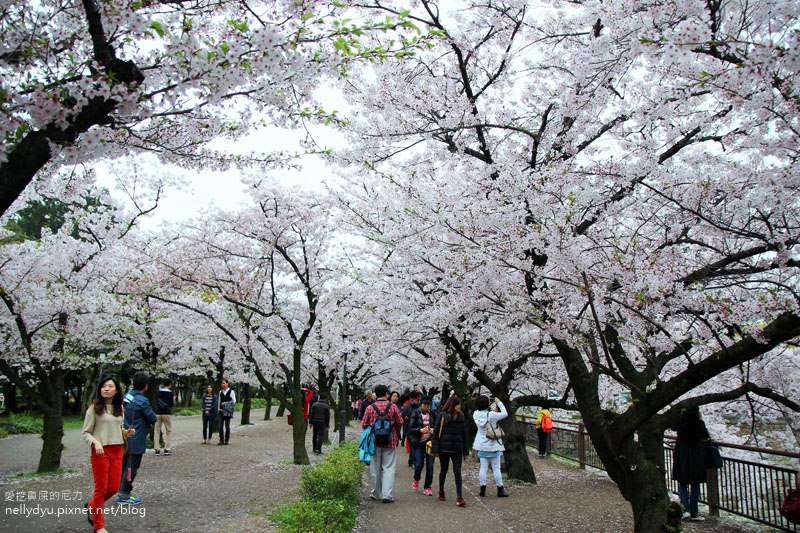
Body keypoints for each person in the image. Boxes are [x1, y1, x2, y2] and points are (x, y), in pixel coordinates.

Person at [83, 376, 133, 533]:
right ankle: (99, 526)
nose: (106, 388)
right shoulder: (94, 408)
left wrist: (126, 433)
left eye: (110, 386)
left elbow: (117, 430)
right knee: (101, 489)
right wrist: (95, 442)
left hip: (117, 450)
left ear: (116, 390)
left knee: (113, 488)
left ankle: (92, 506)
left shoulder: (120, 408)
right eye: (103, 386)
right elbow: (86, 432)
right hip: (100, 451)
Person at [117, 371, 157, 505]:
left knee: (123, 465)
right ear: (146, 386)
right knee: (132, 467)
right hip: (136, 438)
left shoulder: (125, 397)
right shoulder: (142, 401)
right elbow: (152, 417)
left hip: (123, 437)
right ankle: (124, 495)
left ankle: (121, 490)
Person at [361, 384, 403, 503]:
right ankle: (387, 495)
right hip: (390, 440)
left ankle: (376, 493)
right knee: (388, 468)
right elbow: (400, 421)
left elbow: (364, 424)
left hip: (374, 442)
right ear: (386, 394)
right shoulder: (393, 407)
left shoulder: (370, 407)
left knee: (375, 468)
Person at [672, 406, 710, 521]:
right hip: (696, 457)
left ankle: (685, 510)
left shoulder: (681, 422)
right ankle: (694, 513)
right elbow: (706, 436)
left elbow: (672, 427)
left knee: (682, 483)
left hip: (682, 455)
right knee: (695, 484)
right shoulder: (699, 423)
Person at [431, 394, 469, 507]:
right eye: (458, 404)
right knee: (444, 470)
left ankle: (459, 496)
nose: (460, 406)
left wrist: (465, 452)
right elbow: (436, 433)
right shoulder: (442, 416)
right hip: (444, 449)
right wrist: (436, 449)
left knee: (457, 472)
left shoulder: (461, 417)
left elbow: (464, 435)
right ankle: (441, 491)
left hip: (457, 449)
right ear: (453, 405)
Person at [472, 395, 509, 497]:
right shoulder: (491, 415)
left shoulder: (475, 414)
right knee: (496, 468)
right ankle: (500, 490)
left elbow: (487, 414)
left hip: (482, 444)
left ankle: (482, 490)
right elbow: (505, 413)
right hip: (493, 445)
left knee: (483, 468)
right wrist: (499, 402)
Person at [407, 395, 436, 496]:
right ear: (421, 404)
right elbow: (410, 428)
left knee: (430, 466)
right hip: (418, 442)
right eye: (425, 405)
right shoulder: (415, 413)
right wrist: (420, 430)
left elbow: (436, 426)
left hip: (429, 443)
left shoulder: (432, 414)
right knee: (419, 464)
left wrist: (433, 430)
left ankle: (427, 487)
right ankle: (416, 478)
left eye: (429, 405)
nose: (427, 407)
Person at [153, 378, 175, 456]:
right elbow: (171, 404)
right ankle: (167, 449)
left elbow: (155, 401)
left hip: (158, 413)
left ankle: (157, 449)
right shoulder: (170, 394)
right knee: (168, 430)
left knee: (156, 431)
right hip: (166, 413)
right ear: (169, 385)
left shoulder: (158, 392)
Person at [400, 390, 420, 466]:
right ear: (417, 397)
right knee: (416, 445)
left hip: (408, 427)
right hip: (418, 428)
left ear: (410, 397)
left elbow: (402, 417)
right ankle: (413, 460)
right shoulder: (420, 406)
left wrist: (406, 419)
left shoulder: (406, 406)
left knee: (411, 445)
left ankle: (411, 461)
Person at [217, 378, 236, 445]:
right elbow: (219, 401)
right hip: (221, 411)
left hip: (227, 411)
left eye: (224, 383)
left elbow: (233, 401)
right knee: (220, 426)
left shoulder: (231, 392)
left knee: (227, 427)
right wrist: (218, 409)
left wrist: (225, 403)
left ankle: (226, 439)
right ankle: (221, 440)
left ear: (227, 384)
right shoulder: (220, 392)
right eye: (222, 383)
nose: (223, 384)